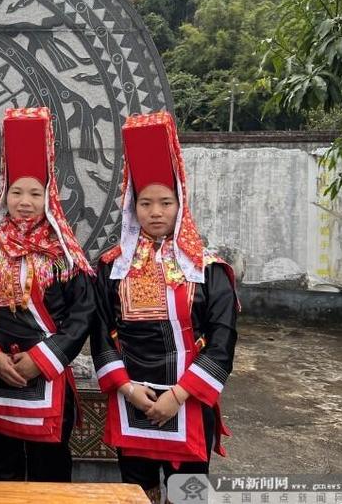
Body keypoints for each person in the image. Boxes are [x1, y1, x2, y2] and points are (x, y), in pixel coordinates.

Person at [90, 111, 238, 503]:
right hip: (131, 400)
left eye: (165, 202)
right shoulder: (112, 268)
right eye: (145, 203)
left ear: (181, 204)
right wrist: (126, 388)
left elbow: (223, 339)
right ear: (131, 207)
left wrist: (179, 394)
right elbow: (100, 332)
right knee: (137, 491)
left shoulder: (208, 269)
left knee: (187, 494)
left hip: (188, 401)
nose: (155, 212)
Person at [0, 107, 96, 482]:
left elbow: (82, 314)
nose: (24, 200)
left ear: (49, 196)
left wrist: (43, 357)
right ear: (3, 195)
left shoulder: (66, 254)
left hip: (48, 371)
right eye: (16, 191)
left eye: (34, 193)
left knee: (50, 471)